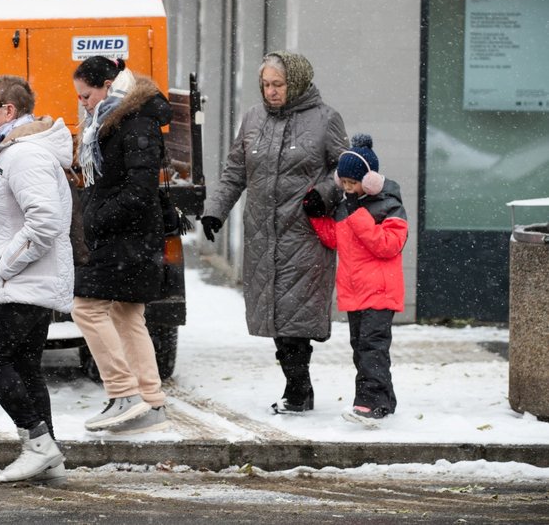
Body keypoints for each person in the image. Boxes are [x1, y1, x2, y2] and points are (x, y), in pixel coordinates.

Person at [200, 51, 348, 415]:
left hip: (304, 234)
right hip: (263, 234)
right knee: (275, 313)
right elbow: (236, 170)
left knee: (294, 314)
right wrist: (214, 211)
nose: (271, 91)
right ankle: (298, 386)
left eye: (277, 84)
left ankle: (298, 389)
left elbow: (346, 168)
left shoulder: (325, 119)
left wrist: (324, 195)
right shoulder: (253, 119)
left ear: (294, 82)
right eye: (266, 85)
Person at [0, 75, 73, 484]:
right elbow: (13, 213)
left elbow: (45, 221)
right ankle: (48, 455)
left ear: (8, 111)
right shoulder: (10, 154)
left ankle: (38, 444)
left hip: (26, 282)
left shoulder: (23, 155)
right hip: (30, 281)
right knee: (25, 365)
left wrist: (4, 266)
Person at [71, 56, 171, 435]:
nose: (84, 102)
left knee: (86, 309)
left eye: (87, 95)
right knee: (127, 316)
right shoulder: (114, 120)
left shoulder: (136, 121)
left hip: (128, 236)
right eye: (80, 96)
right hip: (127, 234)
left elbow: (139, 188)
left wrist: (97, 216)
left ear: (109, 85)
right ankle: (152, 402)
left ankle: (124, 392)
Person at [304, 133, 408, 426]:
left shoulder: (389, 205)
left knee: (371, 348)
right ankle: (384, 399)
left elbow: (388, 245)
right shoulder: (346, 205)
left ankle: (369, 403)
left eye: (353, 183)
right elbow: (336, 240)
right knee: (361, 348)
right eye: (344, 183)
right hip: (354, 293)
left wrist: (357, 214)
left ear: (370, 181)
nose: (347, 188)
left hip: (379, 292)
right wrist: (316, 217)